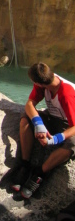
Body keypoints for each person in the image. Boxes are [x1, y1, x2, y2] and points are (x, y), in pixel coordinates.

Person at [11, 62, 75, 199]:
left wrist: (57, 138)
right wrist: (38, 123)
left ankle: (40, 173)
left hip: (68, 124)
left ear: (38, 83)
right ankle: (25, 164)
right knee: (25, 120)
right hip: (52, 117)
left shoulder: (66, 93)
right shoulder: (45, 82)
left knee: (73, 144)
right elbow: (29, 104)